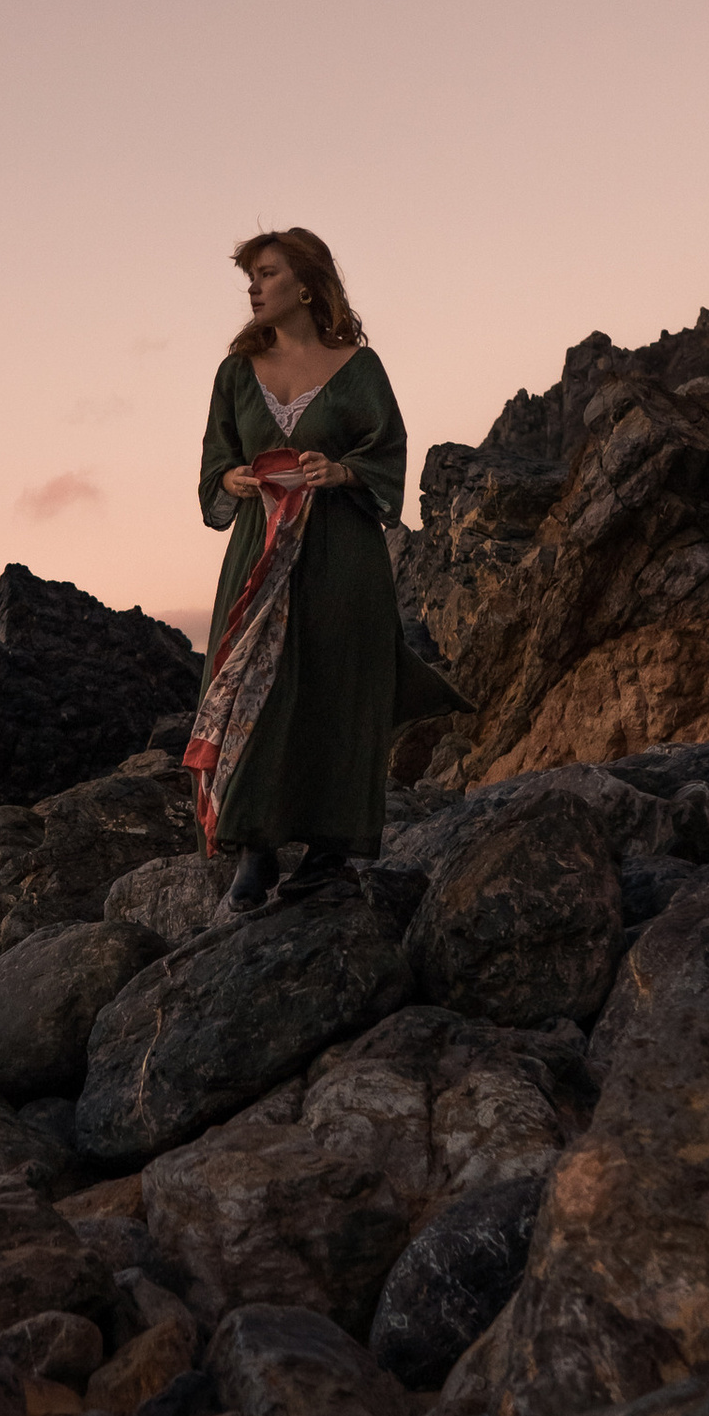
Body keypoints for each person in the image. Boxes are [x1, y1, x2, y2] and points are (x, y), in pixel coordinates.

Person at [187, 227, 467, 911]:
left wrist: (341, 470)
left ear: (307, 286)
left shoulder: (359, 369)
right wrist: (236, 481)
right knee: (259, 685)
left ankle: (329, 850)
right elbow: (212, 471)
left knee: (337, 688)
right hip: (259, 553)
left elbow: (389, 451)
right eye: (250, 277)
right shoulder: (234, 374)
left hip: (341, 554)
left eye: (268, 273)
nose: (253, 287)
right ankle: (253, 850)